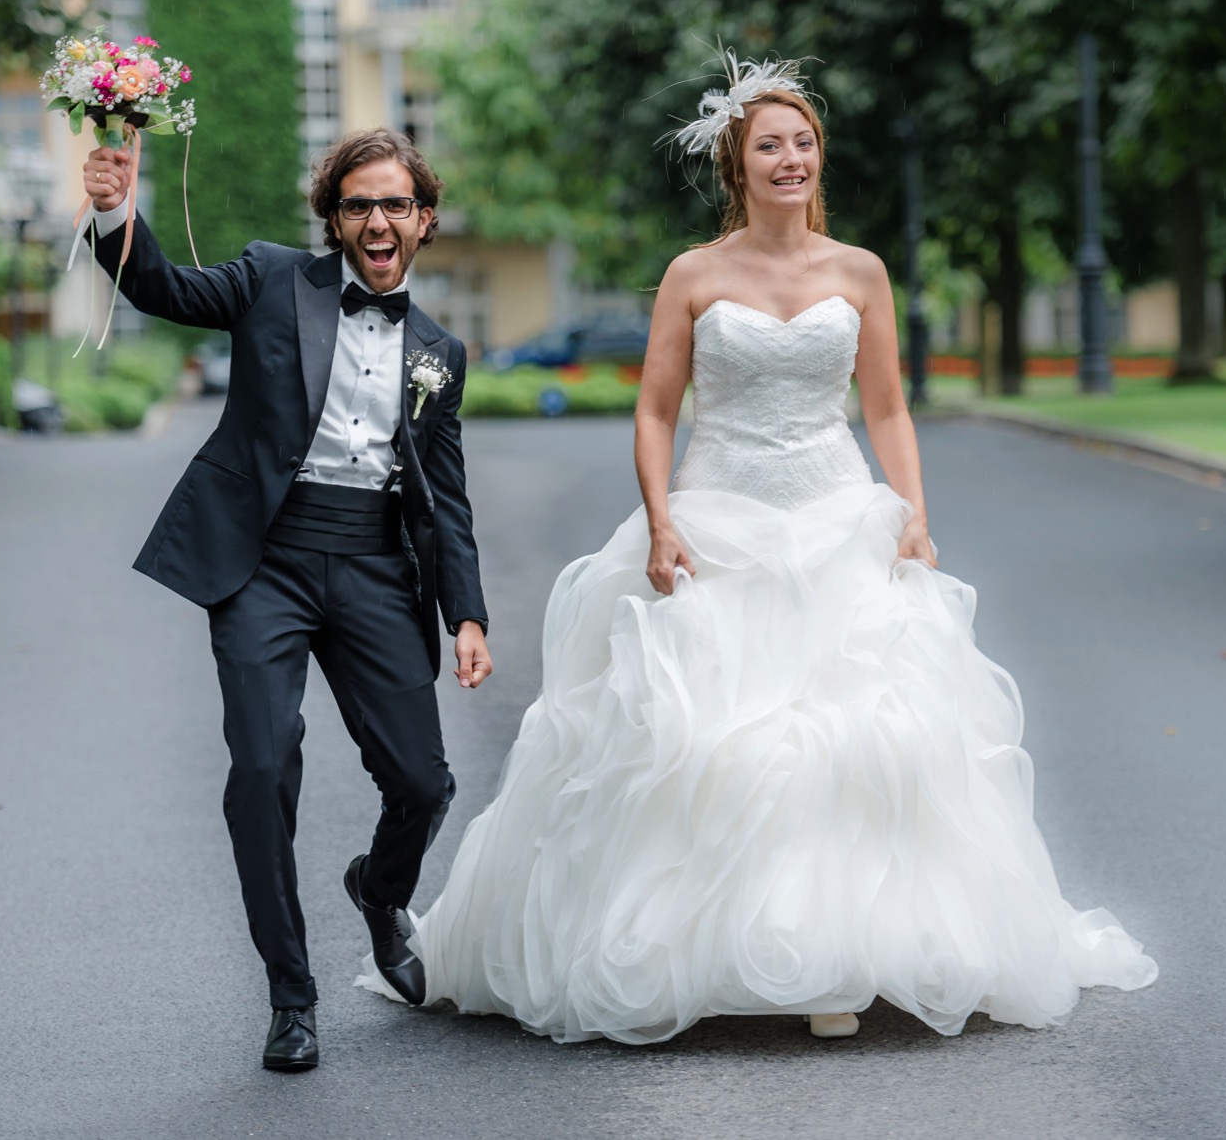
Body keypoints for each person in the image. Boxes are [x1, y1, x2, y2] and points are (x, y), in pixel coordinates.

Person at [359, 55, 1156, 1043]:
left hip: (833, 514)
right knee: (694, 738)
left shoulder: (858, 272)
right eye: (768, 144)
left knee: (864, 738)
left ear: (819, 159)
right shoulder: (695, 275)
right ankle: (695, 953)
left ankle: (845, 957)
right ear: (737, 165)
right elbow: (655, 411)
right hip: (717, 515)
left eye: (803, 142)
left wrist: (907, 508)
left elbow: (887, 405)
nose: (789, 158)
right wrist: (659, 517)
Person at [81, 129, 491, 1071]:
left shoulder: (439, 351)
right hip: (263, 560)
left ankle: (379, 893)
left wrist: (465, 614)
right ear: (334, 219)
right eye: (357, 204)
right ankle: (291, 995)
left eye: (394, 204)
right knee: (261, 770)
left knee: (423, 782)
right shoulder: (272, 281)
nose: (376, 220)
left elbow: (447, 494)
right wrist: (113, 211)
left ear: (423, 220)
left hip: (377, 569)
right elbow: (164, 288)